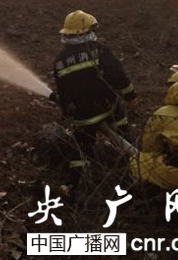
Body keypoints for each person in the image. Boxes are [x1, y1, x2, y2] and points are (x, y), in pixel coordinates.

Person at [50, 10, 137, 180]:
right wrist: (131, 97)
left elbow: (63, 92)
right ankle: (133, 165)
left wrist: (67, 112)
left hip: (82, 117)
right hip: (107, 108)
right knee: (122, 129)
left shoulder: (59, 61)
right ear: (87, 31)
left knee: (82, 148)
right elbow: (118, 76)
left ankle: (78, 181)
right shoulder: (99, 51)